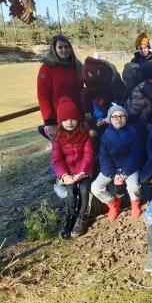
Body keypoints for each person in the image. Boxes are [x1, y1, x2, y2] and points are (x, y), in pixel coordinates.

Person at [91, 105, 143, 222]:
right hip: (111, 170)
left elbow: (135, 154)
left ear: (126, 117)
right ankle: (112, 203)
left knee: (133, 186)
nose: (118, 118)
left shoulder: (133, 133)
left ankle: (135, 204)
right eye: (114, 116)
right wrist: (113, 175)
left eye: (121, 116)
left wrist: (124, 173)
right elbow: (103, 156)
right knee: (95, 187)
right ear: (109, 119)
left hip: (129, 168)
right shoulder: (105, 135)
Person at [52, 97, 94, 238]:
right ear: (60, 121)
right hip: (69, 174)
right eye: (65, 120)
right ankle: (70, 218)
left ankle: (82, 217)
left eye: (73, 119)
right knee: (71, 193)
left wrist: (82, 172)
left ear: (78, 119)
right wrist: (64, 175)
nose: (69, 122)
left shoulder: (85, 134)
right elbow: (57, 160)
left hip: (84, 172)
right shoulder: (58, 138)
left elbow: (88, 155)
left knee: (83, 190)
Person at [37, 35, 83, 140]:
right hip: (59, 118)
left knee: (80, 146)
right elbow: (43, 96)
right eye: (60, 47)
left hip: (77, 115)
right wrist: (49, 120)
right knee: (60, 150)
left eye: (66, 47)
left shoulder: (77, 66)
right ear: (54, 49)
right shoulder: (46, 68)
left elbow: (83, 89)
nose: (64, 50)